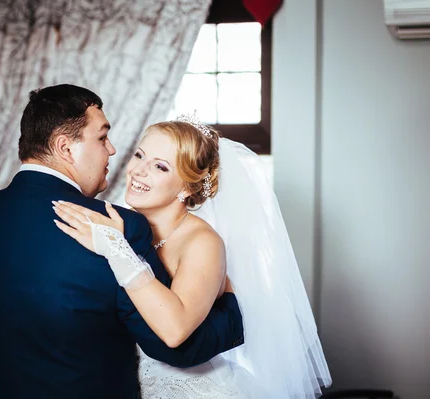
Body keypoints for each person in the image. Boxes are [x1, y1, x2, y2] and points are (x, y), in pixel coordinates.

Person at [0, 84, 245, 399]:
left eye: (159, 166)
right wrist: (231, 313)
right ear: (65, 148)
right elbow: (170, 345)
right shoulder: (119, 227)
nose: (115, 151)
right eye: (103, 137)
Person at [53, 115, 333, 398]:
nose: (139, 171)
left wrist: (116, 249)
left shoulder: (203, 243)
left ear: (186, 188)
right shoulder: (120, 225)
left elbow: (176, 330)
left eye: (160, 167)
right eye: (140, 155)